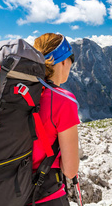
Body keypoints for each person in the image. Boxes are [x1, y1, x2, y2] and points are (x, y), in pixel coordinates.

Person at [32, 33, 80, 206]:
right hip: (44, 195)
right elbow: (70, 170)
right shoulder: (63, 100)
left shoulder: (18, 93)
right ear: (63, 61)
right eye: (71, 58)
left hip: (4, 192)